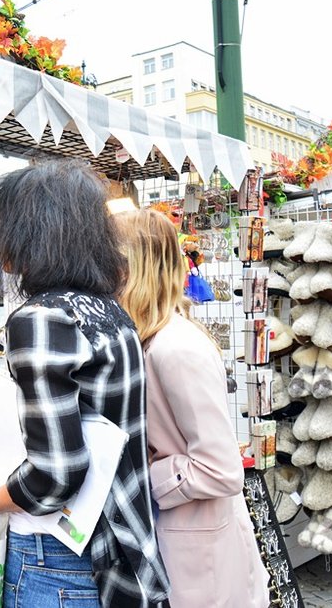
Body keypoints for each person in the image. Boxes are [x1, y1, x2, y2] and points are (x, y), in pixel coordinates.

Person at [0, 161, 169, 608]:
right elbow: (90, 412)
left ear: (32, 231)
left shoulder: (40, 319)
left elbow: (56, 474)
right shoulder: (112, 313)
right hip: (118, 549)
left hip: (54, 560)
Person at [115, 209, 269, 607]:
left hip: (199, 556)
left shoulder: (175, 347)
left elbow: (221, 470)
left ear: (133, 267)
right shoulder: (154, 340)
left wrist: (142, 477)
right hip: (188, 543)